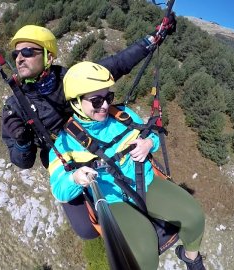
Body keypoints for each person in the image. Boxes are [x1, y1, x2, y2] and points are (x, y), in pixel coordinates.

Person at [1, 22, 176, 239]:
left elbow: (117, 64)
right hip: (66, 158)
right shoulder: (16, 106)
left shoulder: (71, 78)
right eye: (16, 53)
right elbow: (22, 162)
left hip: (96, 140)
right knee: (86, 229)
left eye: (27, 51)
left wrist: (152, 40)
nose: (19, 58)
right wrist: (23, 143)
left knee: (127, 176)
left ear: (48, 56)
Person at [48, 61, 206, 270]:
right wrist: (75, 178)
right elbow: (59, 190)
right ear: (76, 103)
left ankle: (191, 258)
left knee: (194, 217)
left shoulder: (122, 115)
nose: (105, 105)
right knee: (143, 258)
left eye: (108, 97)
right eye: (96, 101)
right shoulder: (64, 143)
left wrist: (148, 143)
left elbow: (151, 134)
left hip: (145, 181)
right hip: (113, 200)